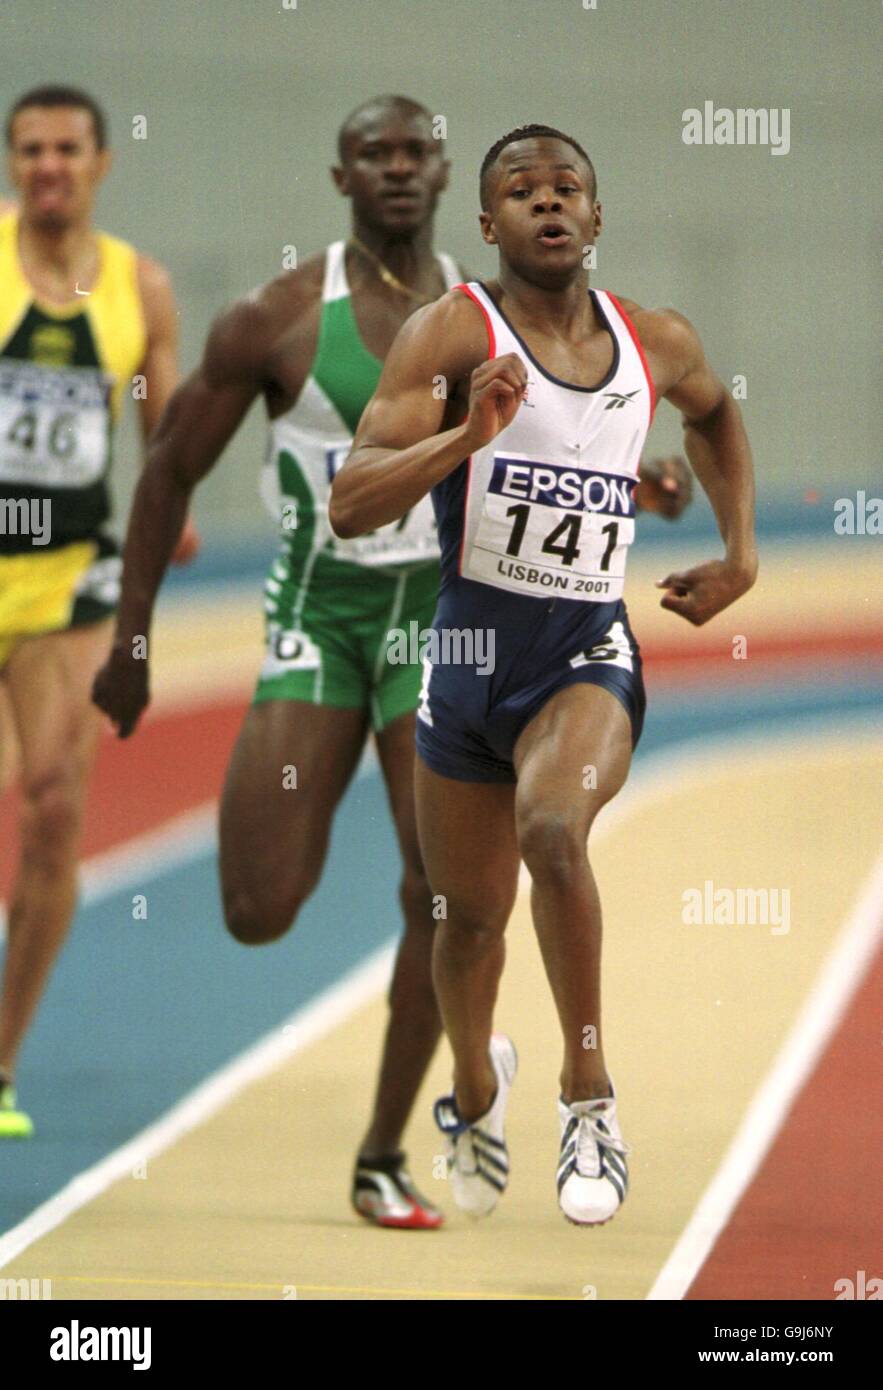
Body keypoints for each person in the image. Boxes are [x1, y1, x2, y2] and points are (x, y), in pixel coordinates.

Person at [93, 100, 690, 1227]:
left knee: (446, 894)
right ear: (343, 176)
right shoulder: (275, 317)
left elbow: (594, 441)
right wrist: (132, 639)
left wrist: (648, 486)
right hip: (320, 610)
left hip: (451, 618)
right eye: (378, 154)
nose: (399, 170)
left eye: (418, 152)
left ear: (449, 176)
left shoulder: (504, 304)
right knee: (257, 904)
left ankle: (394, 1143)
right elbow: (169, 463)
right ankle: (470, 1075)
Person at [330, 123, 757, 1226]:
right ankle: (477, 1089)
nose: (548, 203)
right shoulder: (448, 332)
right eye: (521, 191)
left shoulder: (652, 339)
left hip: (582, 657)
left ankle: (587, 1091)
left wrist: (739, 549)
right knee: (463, 923)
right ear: (487, 225)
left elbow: (713, 411)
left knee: (554, 833)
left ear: (597, 215)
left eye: (568, 186)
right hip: (466, 669)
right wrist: (461, 438)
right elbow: (352, 500)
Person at [0, 85, 197, 1139]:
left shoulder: (141, 288)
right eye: (29, 149)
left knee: (50, 802)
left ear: (100, 162)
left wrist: (176, 515)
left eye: (66, 149)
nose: (47, 167)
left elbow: (160, 438)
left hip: (67, 575)